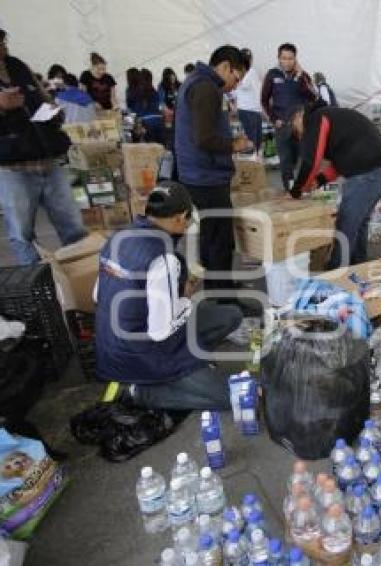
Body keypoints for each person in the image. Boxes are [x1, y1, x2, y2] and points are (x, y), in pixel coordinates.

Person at [94, 182, 243, 411]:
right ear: (180, 218)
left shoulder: (118, 237)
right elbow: (160, 331)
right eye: (188, 220)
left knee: (230, 315)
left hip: (110, 347)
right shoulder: (163, 259)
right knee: (233, 398)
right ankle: (143, 392)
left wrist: (170, 298)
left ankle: (193, 363)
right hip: (142, 353)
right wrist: (185, 298)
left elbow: (97, 295)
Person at [0, 4, 87, 264]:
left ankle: (83, 279)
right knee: (23, 234)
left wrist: (55, 112)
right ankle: (37, 287)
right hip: (9, 168)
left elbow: (43, 97)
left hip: (48, 160)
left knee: (74, 227)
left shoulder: (18, 66)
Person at [174, 45, 249, 291]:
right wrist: (234, 145)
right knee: (220, 241)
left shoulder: (196, 82)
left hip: (197, 174)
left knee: (210, 236)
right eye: (236, 78)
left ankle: (217, 286)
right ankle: (225, 298)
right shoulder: (207, 88)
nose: (235, 85)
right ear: (225, 66)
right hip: (206, 177)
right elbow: (204, 138)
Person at [288, 102, 381, 268]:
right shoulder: (331, 117)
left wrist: (296, 190)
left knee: (346, 222)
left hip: (369, 171)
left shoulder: (315, 118)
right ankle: (358, 263)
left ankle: (337, 270)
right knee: (359, 220)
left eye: (297, 131)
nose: (300, 136)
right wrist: (319, 181)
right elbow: (339, 163)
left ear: (298, 116)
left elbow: (311, 161)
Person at [261, 43, 317, 190]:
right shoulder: (272, 75)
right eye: (284, 58)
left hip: (300, 128)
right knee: (286, 163)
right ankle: (290, 191)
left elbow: (313, 96)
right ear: (278, 58)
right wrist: (274, 119)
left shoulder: (303, 76)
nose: (287, 62)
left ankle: (303, 189)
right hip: (282, 126)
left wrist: (300, 76)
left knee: (303, 160)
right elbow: (264, 100)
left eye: (290, 58)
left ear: (295, 59)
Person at [235, 48, 264, 151]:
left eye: (248, 58)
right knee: (252, 140)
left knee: (258, 139)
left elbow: (258, 89)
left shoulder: (252, 71)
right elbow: (240, 86)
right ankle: (251, 163)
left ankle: (256, 161)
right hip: (247, 110)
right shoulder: (241, 71)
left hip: (255, 110)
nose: (248, 60)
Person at [129, 69, 163, 143]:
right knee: (160, 146)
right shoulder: (154, 91)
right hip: (158, 120)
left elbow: (134, 110)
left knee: (150, 147)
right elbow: (157, 105)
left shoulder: (135, 92)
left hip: (145, 122)